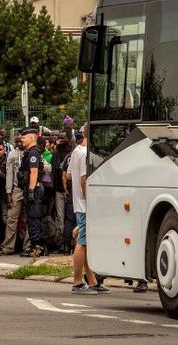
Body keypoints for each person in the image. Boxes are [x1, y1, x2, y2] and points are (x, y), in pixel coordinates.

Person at [69, 123, 110, 294]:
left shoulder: (77, 151)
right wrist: (91, 203)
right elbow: (84, 180)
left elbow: (69, 174)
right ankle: (78, 282)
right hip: (86, 205)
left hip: (79, 203)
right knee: (83, 243)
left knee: (86, 243)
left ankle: (92, 281)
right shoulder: (86, 154)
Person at [18, 127, 47, 256]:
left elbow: (34, 172)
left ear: (31, 138)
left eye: (24, 138)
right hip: (33, 188)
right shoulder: (31, 152)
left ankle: (37, 248)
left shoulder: (33, 153)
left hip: (34, 188)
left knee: (33, 218)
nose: (21, 140)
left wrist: (31, 190)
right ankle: (38, 246)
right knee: (33, 218)